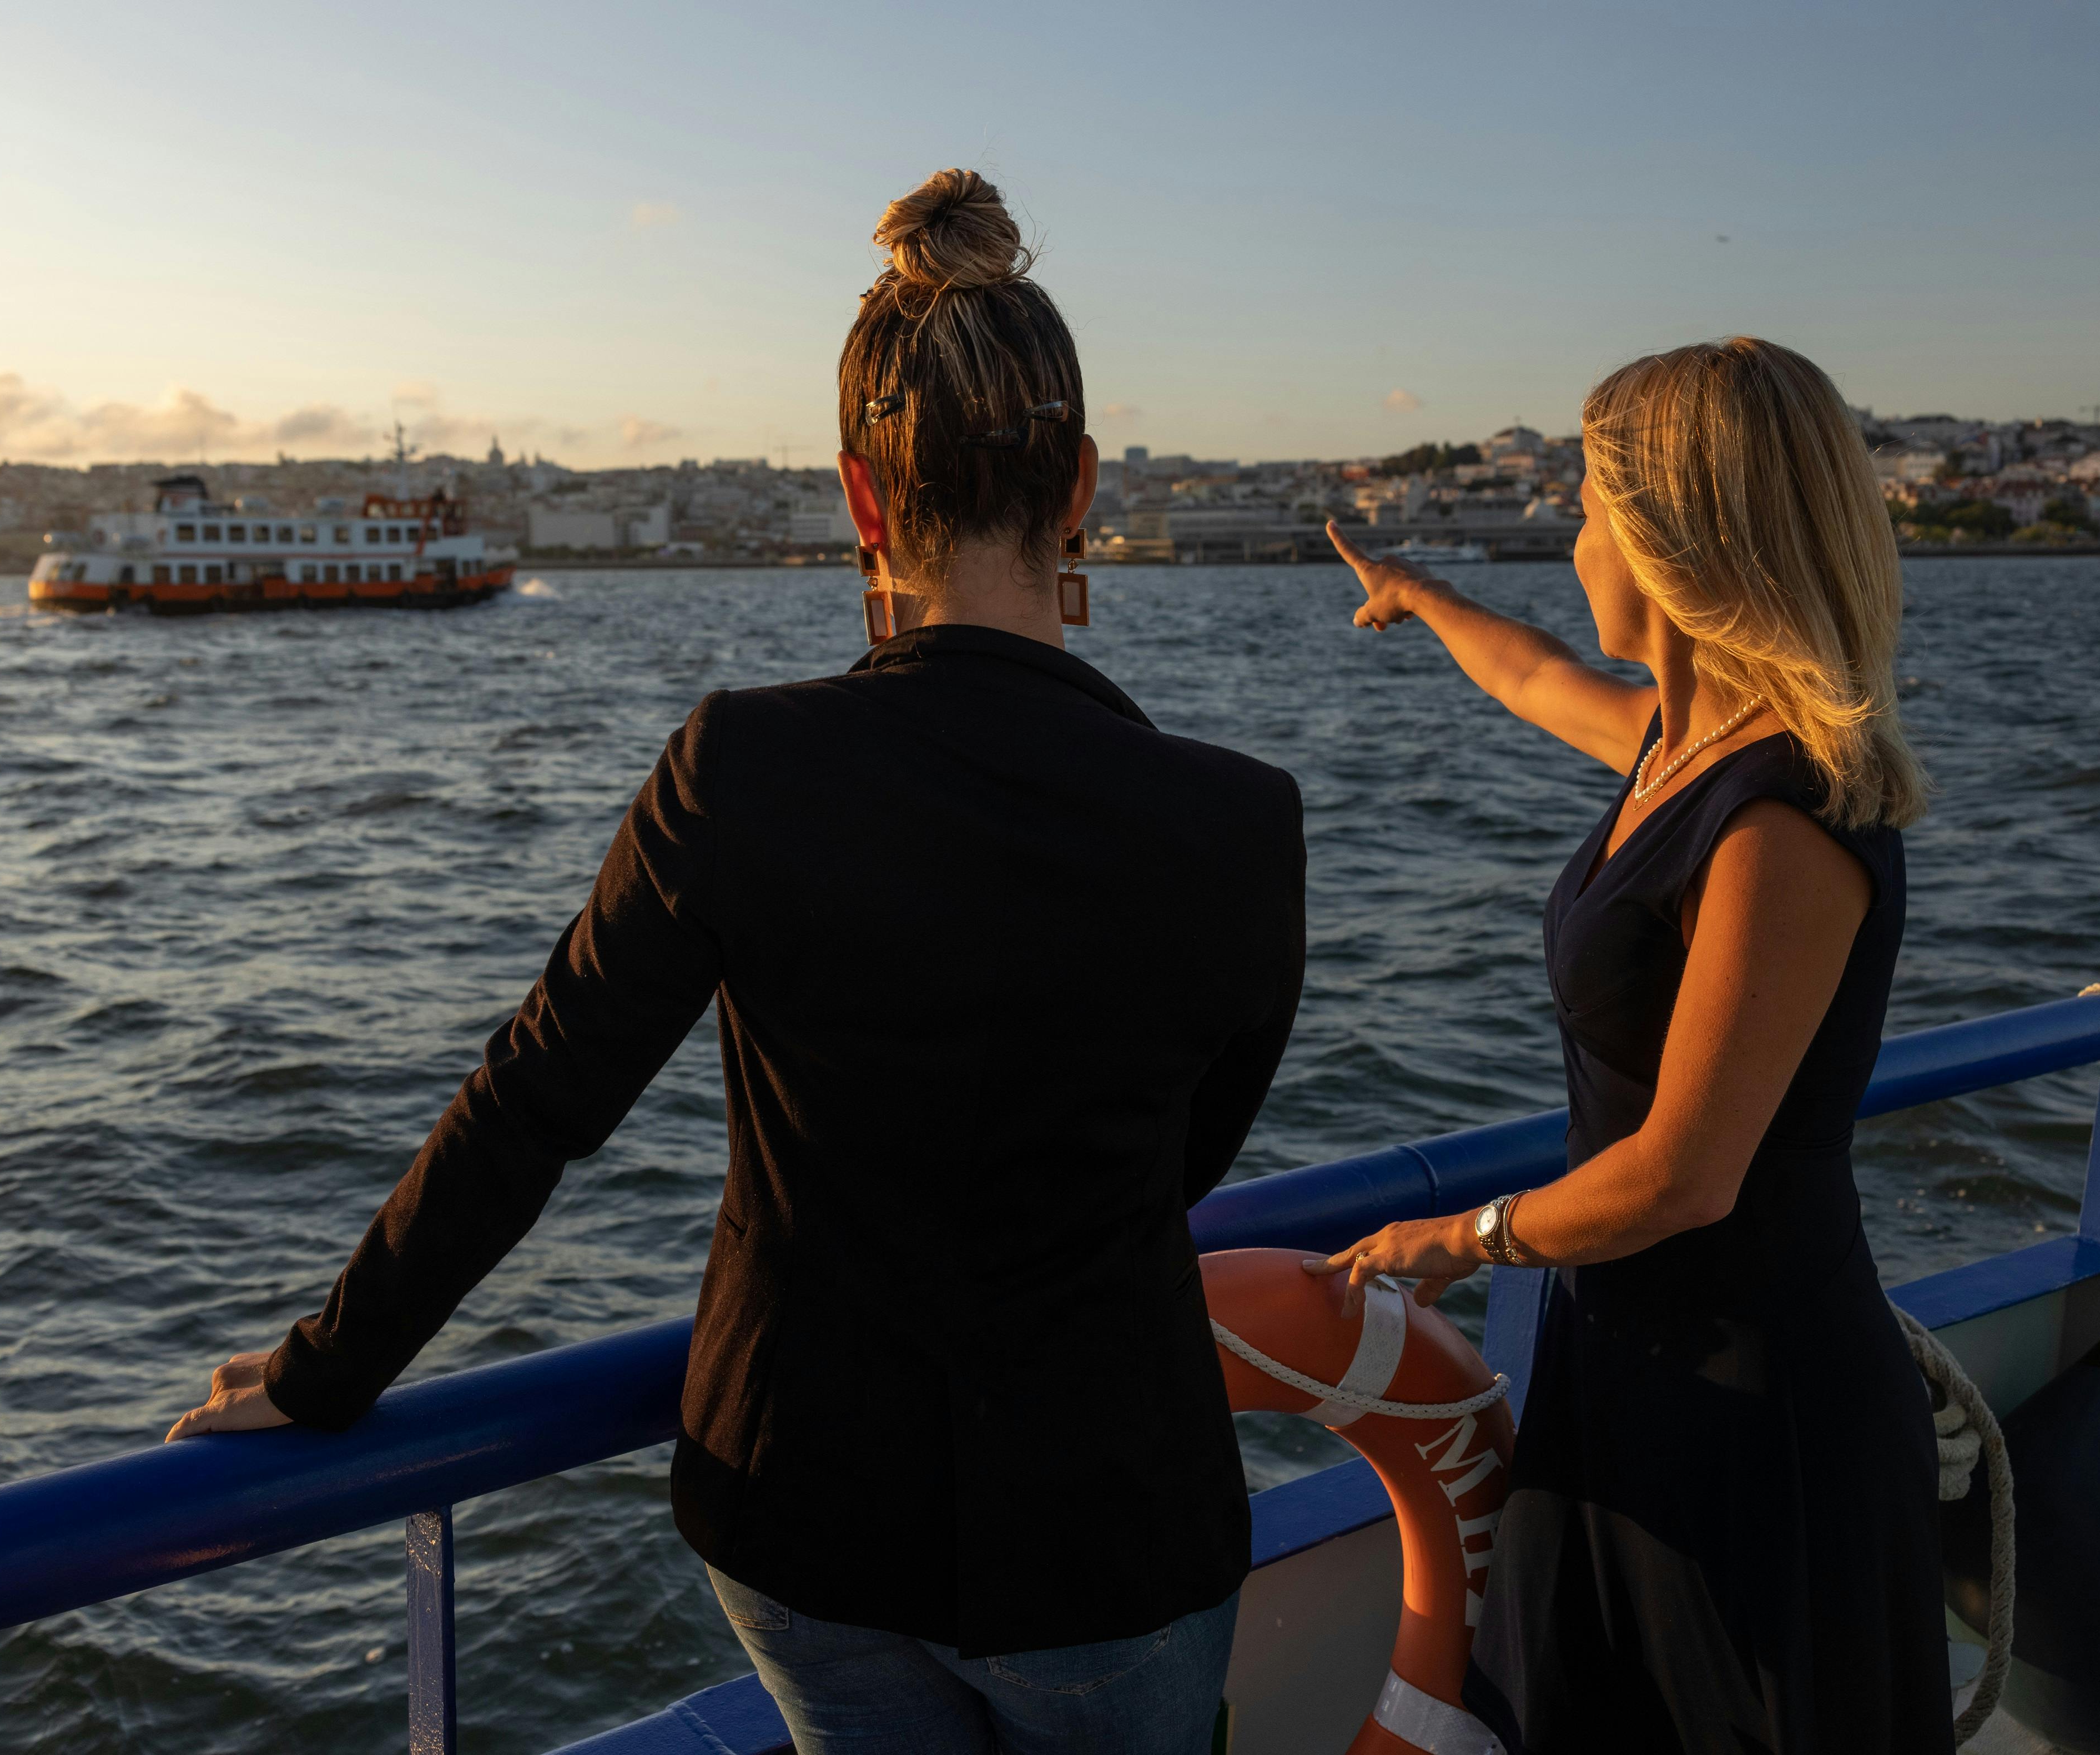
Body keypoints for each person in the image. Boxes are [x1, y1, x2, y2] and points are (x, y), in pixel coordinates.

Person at [164, 168, 1305, 1755]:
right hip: (1107, 1526)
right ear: (1081, 489)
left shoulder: (742, 768)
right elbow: (1184, 1160)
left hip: (801, 1508)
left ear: (859, 499)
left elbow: (535, 1103)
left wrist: (326, 1368)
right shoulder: (1242, 822)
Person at [1313, 338, 1951, 1752]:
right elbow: (1536, 678)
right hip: (1626, 1361)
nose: (1574, 542)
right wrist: (1420, 595)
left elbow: (1683, 1175)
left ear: (1672, 541)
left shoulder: (1782, 817)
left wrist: (1459, 1238)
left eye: (1589, 509)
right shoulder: (1680, 751)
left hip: (1757, 1406)